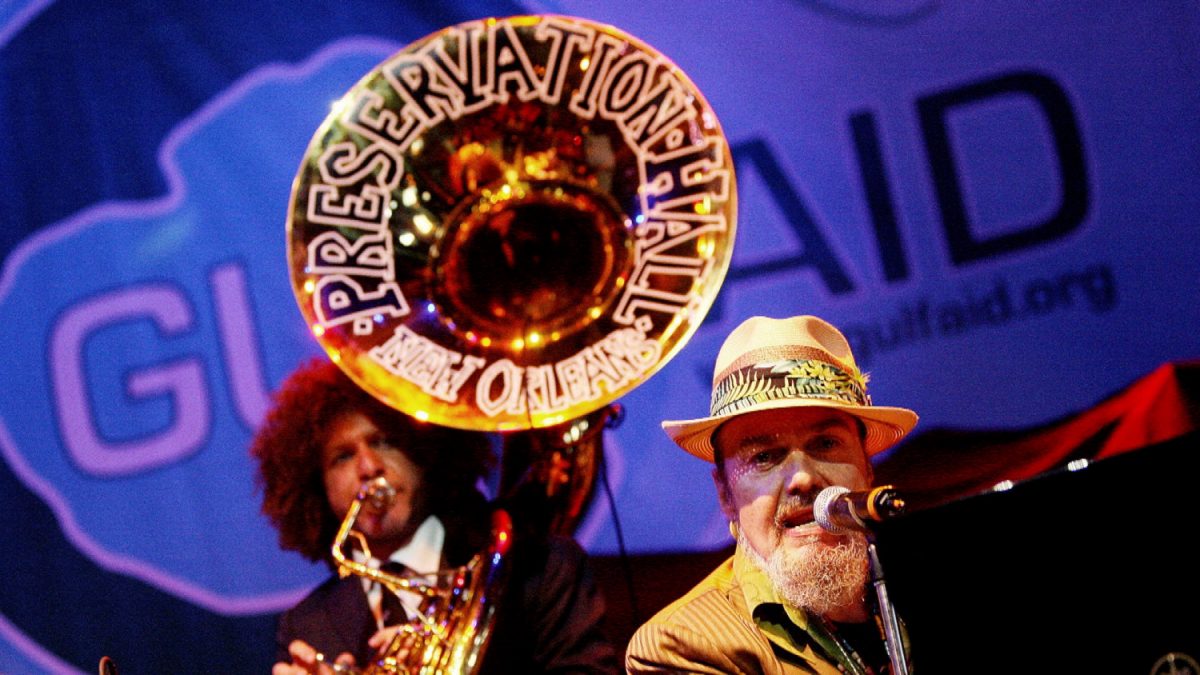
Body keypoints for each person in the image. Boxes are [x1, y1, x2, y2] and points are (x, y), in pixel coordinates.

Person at [251, 358, 619, 674]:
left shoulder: (541, 569)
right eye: (342, 457)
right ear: (318, 487)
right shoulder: (306, 624)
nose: (369, 467)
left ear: (425, 450)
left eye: (384, 441)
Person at [626, 315, 918, 674]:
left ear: (867, 467)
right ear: (726, 495)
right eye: (764, 457)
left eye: (826, 444)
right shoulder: (682, 644)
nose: (803, 478)